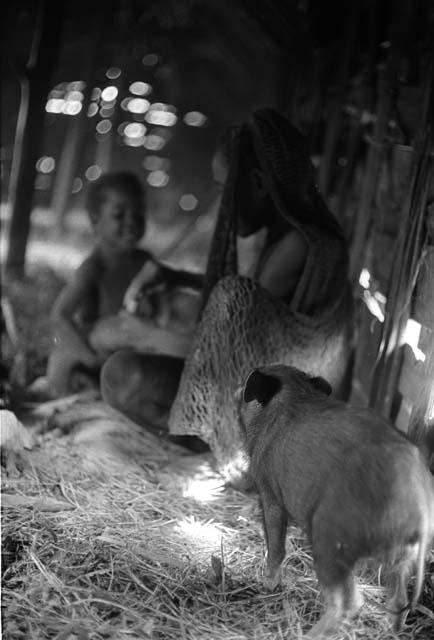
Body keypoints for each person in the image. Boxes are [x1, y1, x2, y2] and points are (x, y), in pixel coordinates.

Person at [168, 107, 354, 480]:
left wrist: (145, 334)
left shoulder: (302, 246)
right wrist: (172, 277)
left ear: (256, 183)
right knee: (122, 377)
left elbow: (238, 336)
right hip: (250, 402)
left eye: (225, 189)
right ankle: (203, 442)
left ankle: (235, 463)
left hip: (281, 421)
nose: (223, 204)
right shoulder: (282, 236)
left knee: (231, 296)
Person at [43, 171, 202, 398]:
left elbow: (171, 292)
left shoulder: (146, 261)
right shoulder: (95, 266)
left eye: (138, 214)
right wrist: (88, 357)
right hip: (100, 356)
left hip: (137, 351)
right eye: (119, 215)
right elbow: (60, 315)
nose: (131, 222)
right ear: (96, 220)